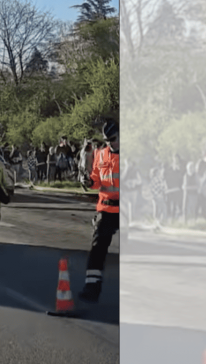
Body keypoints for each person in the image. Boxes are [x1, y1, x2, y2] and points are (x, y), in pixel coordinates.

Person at [79, 121, 120, 303]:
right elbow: (96, 179)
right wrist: (89, 182)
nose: (110, 143)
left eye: (113, 138)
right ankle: (91, 287)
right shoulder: (101, 154)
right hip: (106, 208)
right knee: (97, 248)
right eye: (107, 140)